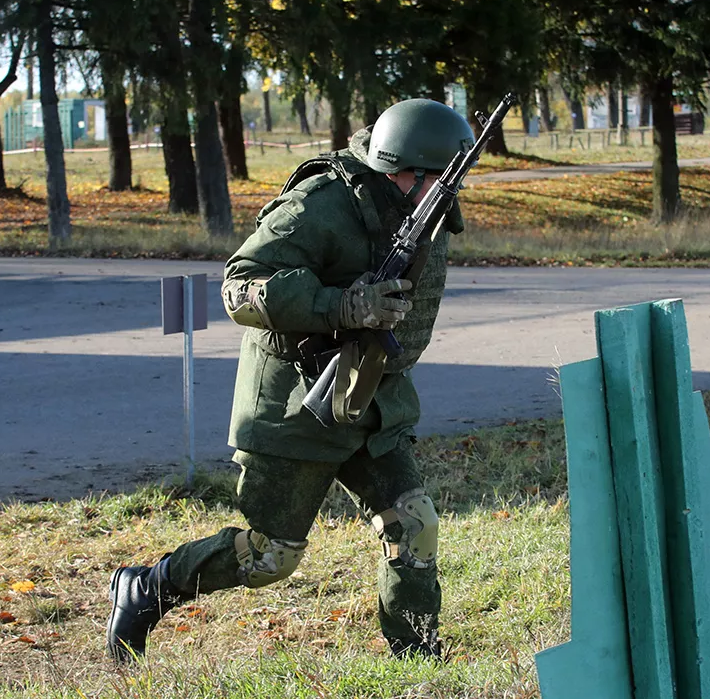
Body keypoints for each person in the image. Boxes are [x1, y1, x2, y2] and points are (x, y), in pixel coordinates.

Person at [106, 98, 475, 663]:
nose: (451, 192)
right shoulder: (322, 205)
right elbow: (240, 285)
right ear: (406, 171)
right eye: (443, 179)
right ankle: (148, 586)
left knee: (414, 522)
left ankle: (418, 657)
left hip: (374, 398)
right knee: (269, 557)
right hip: (298, 401)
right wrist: (341, 305)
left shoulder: (424, 207)